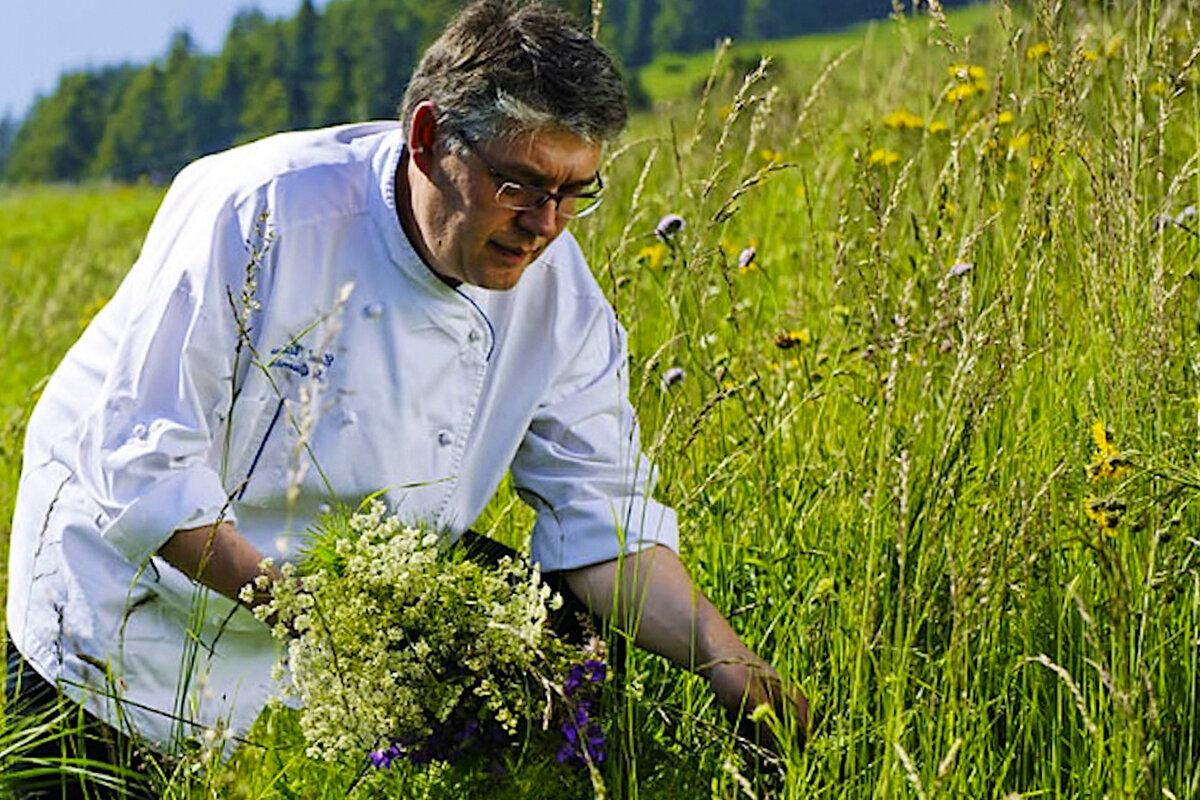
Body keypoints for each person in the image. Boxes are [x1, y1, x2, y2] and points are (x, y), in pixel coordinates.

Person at [5, 0, 807, 793]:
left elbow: (601, 523)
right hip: (125, 616)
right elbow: (142, 460)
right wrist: (313, 616)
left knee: (551, 633)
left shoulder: (559, 299)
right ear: (427, 140)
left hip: (332, 623)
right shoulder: (262, 211)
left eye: (574, 192)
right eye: (520, 184)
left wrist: (724, 659)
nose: (545, 225)